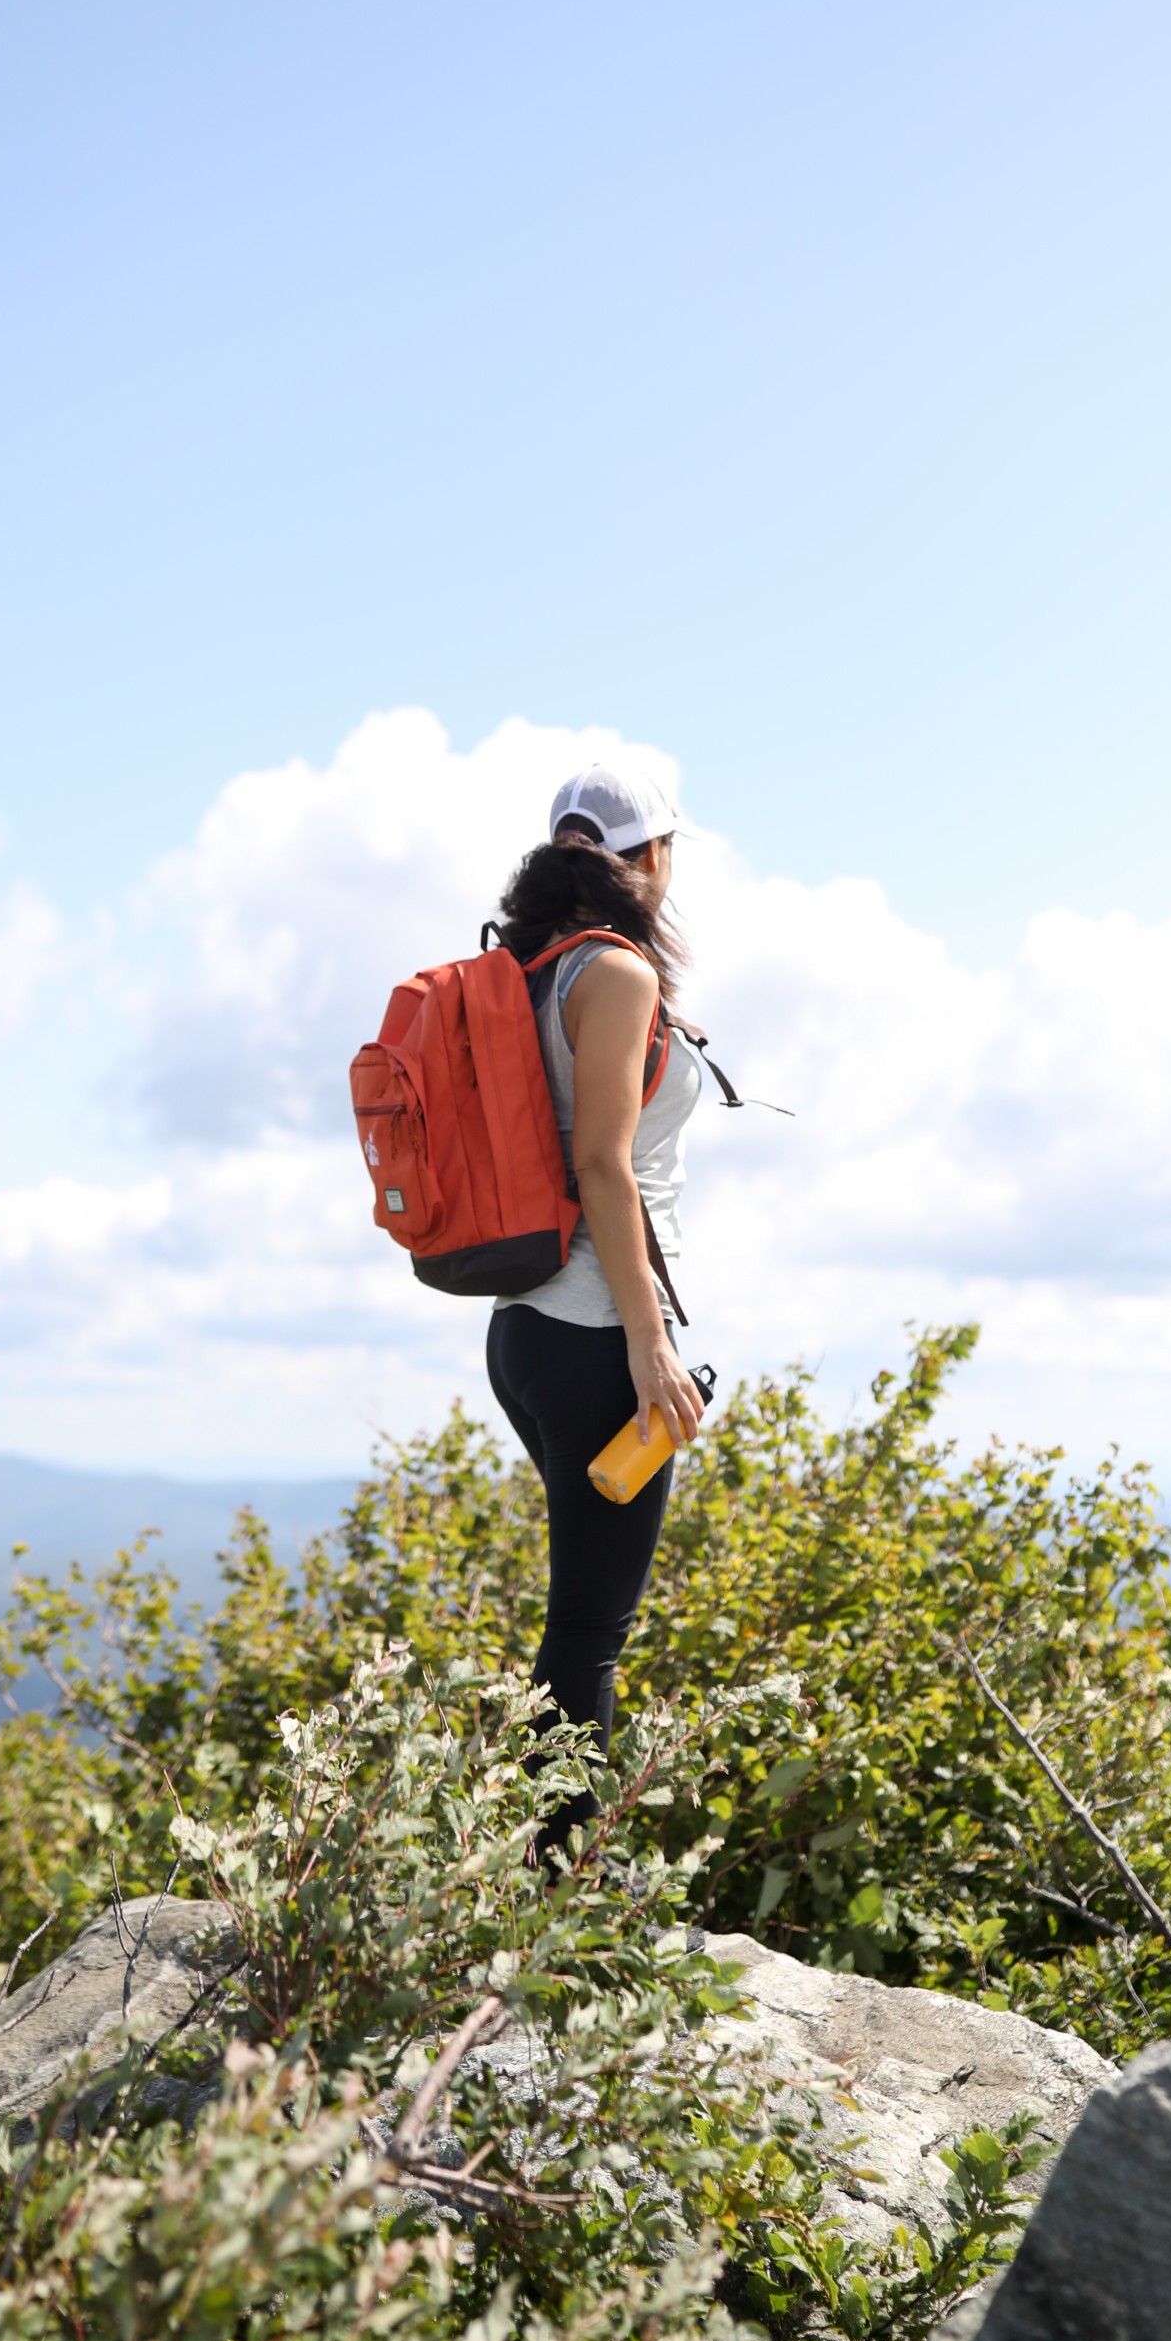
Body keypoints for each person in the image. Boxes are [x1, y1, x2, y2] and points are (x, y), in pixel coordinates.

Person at [486, 762, 710, 1852]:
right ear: (652, 857)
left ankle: (541, 1866)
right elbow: (604, 1168)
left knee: (578, 1616)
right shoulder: (614, 974)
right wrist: (649, 1344)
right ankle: (564, 1889)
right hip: (589, 1335)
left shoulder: (530, 966)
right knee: (589, 1630)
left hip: (522, 1327)